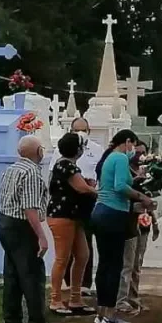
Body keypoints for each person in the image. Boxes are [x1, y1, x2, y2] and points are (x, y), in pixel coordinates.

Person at [0, 135, 60, 323]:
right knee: (32, 274)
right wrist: (42, 236)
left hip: (5, 222)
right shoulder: (31, 172)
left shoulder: (11, 169)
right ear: (39, 151)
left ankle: (12, 319)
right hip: (21, 226)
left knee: (13, 273)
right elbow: (29, 208)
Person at [91, 129, 154, 323]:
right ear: (127, 141)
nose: (133, 150)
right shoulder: (120, 158)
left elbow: (114, 184)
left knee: (105, 265)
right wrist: (141, 197)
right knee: (114, 265)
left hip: (101, 212)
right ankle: (110, 315)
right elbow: (119, 187)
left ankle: (102, 312)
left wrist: (135, 181)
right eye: (133, 145)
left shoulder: (110, 157)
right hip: (113, 213)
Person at [50, 117, 103, 293]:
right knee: (64, 256)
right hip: (65, 213)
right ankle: (58, 294)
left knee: (83, 253)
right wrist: (98, 193)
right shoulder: (66, 165)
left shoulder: (95, 150)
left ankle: (78, 290)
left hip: (80, 211)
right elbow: (80, 187)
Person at [116, 140, 159, 315]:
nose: (140, 156)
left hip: (143, 223)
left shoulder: (149, 175)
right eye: (137, 153)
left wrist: (155, 222)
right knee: (127, 264)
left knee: (137, 264)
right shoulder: (125, 174)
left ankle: (133, 298)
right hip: (128, 223)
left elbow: (148, 201)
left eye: (143, 153)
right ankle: (121, 299)